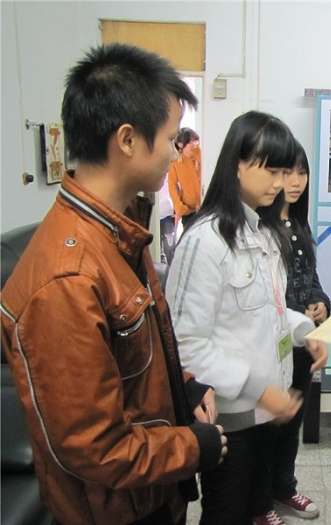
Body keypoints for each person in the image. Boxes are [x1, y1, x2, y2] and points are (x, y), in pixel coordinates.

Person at [0, 43, 226, 525]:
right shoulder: (66, 280)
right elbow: (93, 446)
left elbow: (135, 359)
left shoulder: (119, 230)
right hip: (117, 511)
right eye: (171, 139)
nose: (176, 152)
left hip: (149, 491)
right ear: (127, 140)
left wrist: (183, 388)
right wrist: (191, 447)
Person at [165, 111, 328, 525]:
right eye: (272, 170)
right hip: (231, 420)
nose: (280, 183)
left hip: (266, 411)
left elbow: (270, 311)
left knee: (255, 508)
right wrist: (259, 389)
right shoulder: (205, 242)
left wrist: (304, 331)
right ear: (237, 164)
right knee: (226, 513)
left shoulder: (264, 232)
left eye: (285, 172)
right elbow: (185, 346)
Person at [270, 140, 331, 520]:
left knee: (291, 423)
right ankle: (260, 499)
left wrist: (321, 301)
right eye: (286, 172)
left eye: (302, 172)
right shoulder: (262, 227)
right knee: (268, 426)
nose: (295, 181)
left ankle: (284, 488)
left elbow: (310, 277)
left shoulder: (298, 222)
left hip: (304, 341)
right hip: (275, 343)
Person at [168, 127, 202, 230]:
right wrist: (179, 207)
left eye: (196, 142)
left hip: (205, 208)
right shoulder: (176, 161)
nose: (194, 146)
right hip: (188, 211)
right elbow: (172, 185)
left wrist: (198, 153)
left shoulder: (200, 155)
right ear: (181, 145)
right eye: (191, 144)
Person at [159, 173, 177, 264]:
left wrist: (177, 209)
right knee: (156, 251)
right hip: (154, 216)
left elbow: (178, 190)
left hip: (168, 215)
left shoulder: (171, 173)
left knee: (170, 249)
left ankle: (173, 270)